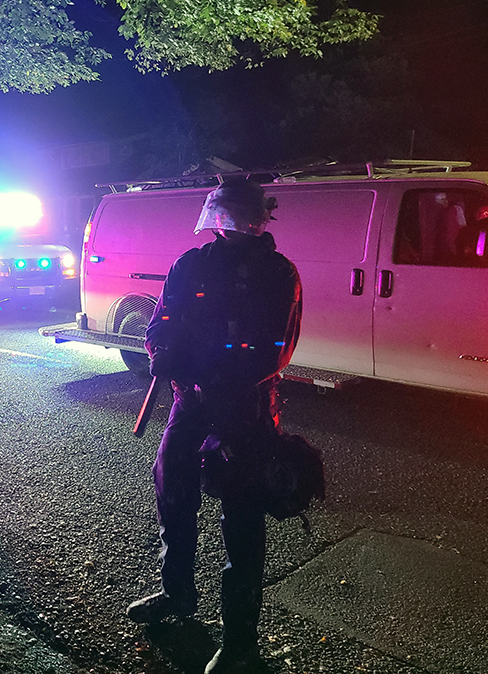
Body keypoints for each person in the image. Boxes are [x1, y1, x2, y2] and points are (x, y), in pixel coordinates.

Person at [126, 178, 302, 674]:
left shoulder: (277, 273)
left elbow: (275, 348)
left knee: (241, 522)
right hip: (190, 403)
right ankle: (176, 594)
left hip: (244, 411)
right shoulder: (192, 262)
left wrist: (217, 376)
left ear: (259, 219)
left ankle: (240, 641)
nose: (231, 228)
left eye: (241, 219)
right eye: (224, 218)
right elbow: (163, 317)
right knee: (174, 497)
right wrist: (160, 348)